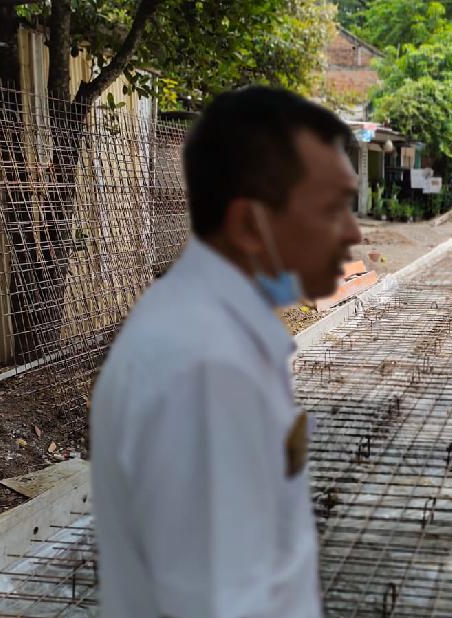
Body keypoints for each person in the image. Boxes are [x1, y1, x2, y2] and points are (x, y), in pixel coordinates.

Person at [90, 87, 361, 618]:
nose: (352, 231)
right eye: (332, 208)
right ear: (247, 225)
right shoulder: (207, 370)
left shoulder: (205, 328)